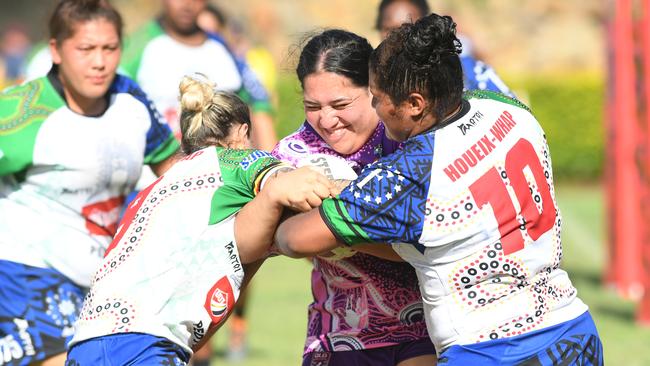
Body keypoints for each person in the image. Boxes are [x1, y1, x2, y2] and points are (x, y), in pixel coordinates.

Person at [275, 13, 604, 365]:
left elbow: (294, 239)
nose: (376, 109)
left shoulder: (414, 172)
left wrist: (297, 193)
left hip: (489, 351)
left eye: (378, 98)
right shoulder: (505, 109)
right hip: (573, 334)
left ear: (415, 103)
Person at [65, 75, 337, 365]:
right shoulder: (239, 160)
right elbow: (295, 185)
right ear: (243, 132)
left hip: (86, 341)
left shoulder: (153, 189)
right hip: (145, 343)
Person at [0, 0, 179, 365]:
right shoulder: (20, 113)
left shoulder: (130, 100)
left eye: (110, 48)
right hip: (23, 272)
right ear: (56, 50)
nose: (99, 62)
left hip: (102, 281)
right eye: (85, 49)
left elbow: (176, 173)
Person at [272, 29, 437, 366]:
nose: (326, 120)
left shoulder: (408, 139)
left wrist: (333, 230)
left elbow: (430, 242)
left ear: (374, 90)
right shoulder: (292, 157)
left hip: (426, 329)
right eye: (312, 106)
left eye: (341, 104)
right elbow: (282, 238)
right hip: (338, 337)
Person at [120, 0, 277, 152]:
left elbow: (258, 105)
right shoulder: (137, 47)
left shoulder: (221, 46)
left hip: (233, 171)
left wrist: (271, 165)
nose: (188, 4)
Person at [376, 0, 513, 96]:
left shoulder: (471, 72)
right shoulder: (375, 89)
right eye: (390, 30)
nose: (399, 38)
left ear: (427, 26)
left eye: (408, 29)